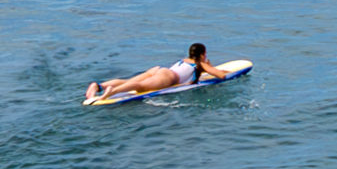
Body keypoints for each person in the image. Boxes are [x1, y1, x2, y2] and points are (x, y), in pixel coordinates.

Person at [84, 43, 232, 104]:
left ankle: (98, 86)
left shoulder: (186, 60)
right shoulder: (201, 64)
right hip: (168, 77)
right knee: (140, 87)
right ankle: (111, 92)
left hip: (159, 70)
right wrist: (211, 67)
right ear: (202, 55)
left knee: (127, 81)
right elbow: (221, 75)